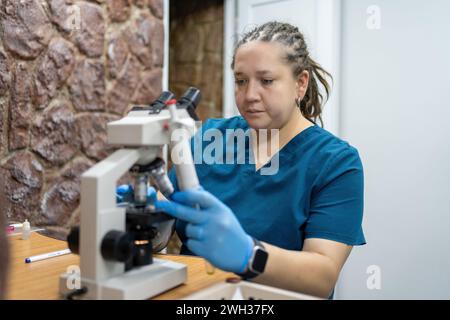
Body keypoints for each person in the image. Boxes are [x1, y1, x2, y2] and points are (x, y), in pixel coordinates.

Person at [118, 21, 365, 299]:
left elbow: (322, 276)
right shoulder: (210, 136)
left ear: (301, 83)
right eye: (241, 81)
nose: (249, 96)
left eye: (267, 81)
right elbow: (170, 221)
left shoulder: (337, 163)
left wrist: (250, 254)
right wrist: (147, 214)